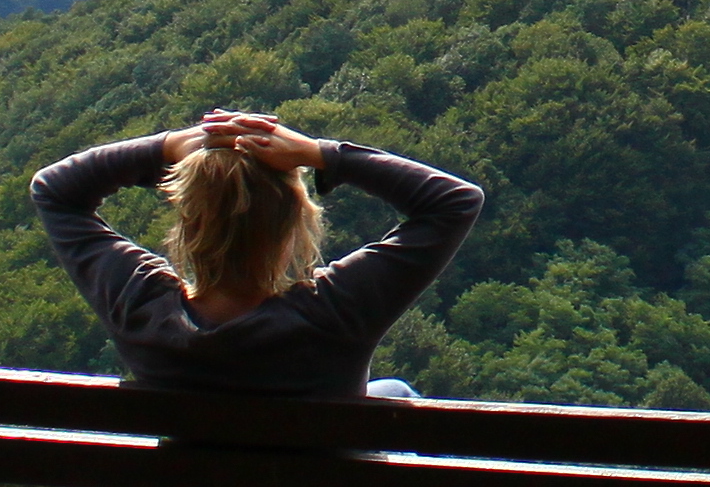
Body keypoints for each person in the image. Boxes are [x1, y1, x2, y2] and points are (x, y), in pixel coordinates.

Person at [28, 110, 483, 400]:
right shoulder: (335, 312)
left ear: (188, 224)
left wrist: (170, 145)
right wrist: (320, 153)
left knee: (394, 391)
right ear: (291, 228)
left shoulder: (140, 310)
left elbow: (55, 190)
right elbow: (455, 201)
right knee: (399, 399)